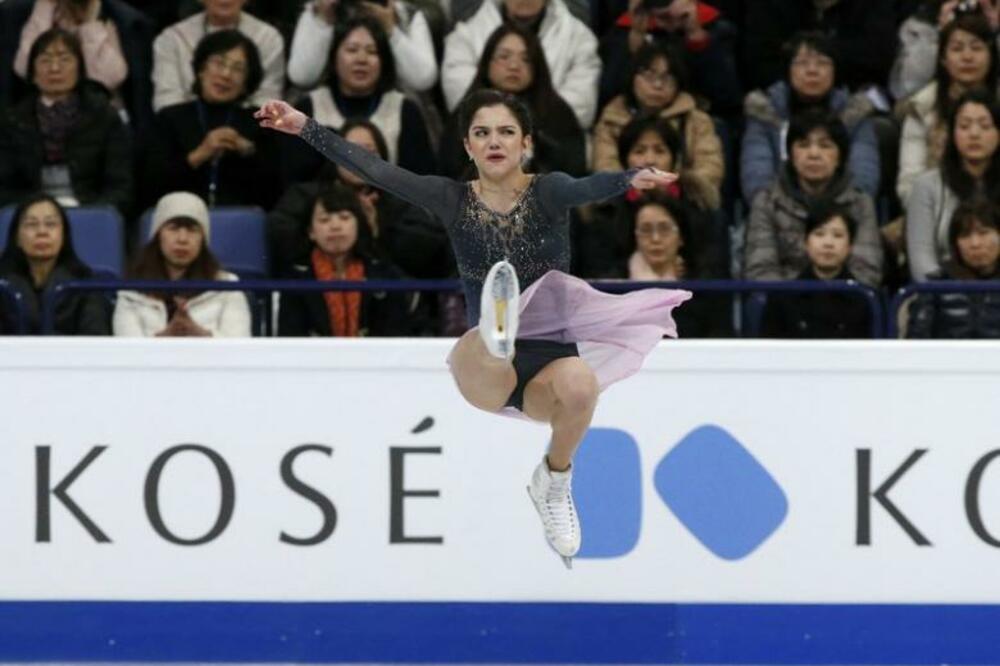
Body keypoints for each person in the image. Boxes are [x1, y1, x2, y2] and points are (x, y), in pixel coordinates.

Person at [256, 88, 690, 566]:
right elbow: (377, 171)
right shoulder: (451, 198)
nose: (494, 141)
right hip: (484, 363)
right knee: (492, 347)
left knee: (582, 385)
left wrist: (631, 177)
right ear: (467, 146)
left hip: (548, 358)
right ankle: (497, 328)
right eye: (482, 133)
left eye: (506, 132)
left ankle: (554, 478)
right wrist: (305, 127)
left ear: (525, 142)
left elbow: (588, 185)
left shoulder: (548, 192)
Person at [270, 118, 451, 279]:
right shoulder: (306, 196)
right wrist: (323, 234)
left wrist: (377, 229)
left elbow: (429, 248)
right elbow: (279, 236)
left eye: (369, 152)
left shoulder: (400, 200)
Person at [143, 30, 280, 210]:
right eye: (218, 63)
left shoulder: (261, 123)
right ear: (201, 69)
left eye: (238, 69)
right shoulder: (169, 118)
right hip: (181, 221)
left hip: (240, 224)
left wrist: (248, 152)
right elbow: (148, 187)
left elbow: (276, 191)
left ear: (246, 82)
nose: (225, 74)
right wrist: (199, 154)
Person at [744, 110, 883, 287]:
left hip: (846, 302)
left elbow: (866, 271)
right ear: (790, 155)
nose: (814, 154)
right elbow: (760, 270)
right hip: (785, 301)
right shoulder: (767, 201)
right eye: (803, 145)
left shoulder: (860, 202)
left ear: (840, 157)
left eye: (825, 146)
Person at [0, 28, 132, 213]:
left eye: (65, 59)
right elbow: (4, 186)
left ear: (80, 69)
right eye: (45, 60)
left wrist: (94, 211)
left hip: (91, 209)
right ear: (33, 73)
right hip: (29, 213)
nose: (55, 68)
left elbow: (120, 185)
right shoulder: (13, 120)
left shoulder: (103, 116)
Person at [741, 31, 881, 205]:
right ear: (788, 70)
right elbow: (756, 174)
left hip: (841, 214)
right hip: (777, 212)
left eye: (822, 63)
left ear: (835, 71)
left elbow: (864, 174)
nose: (812, 71)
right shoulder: (765, 111)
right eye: (802, 64)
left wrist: (835, 215)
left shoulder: (855, 112)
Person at [292, 15, 437, 174]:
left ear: (384, 61)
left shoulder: (405, 111)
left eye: (372, 51)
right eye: (352, 50)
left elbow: (419, 183)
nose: (361, 59)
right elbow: (295, 183)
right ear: (334, 57)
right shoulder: (308, 108)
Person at [439, 23, 586, 179]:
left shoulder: (557, 113)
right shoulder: (467, 112)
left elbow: (572, 175)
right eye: (504, 56)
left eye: (526, 59)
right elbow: (449, 175)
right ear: (487, 63)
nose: (514, 66)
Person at [593, 40, 723, 211]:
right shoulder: (612, 119)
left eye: (667, 77)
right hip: (625, 204)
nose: (658, 85)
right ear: (632, 77)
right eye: (649, 75)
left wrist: (675, 188)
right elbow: (605, 167)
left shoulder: (696, 120)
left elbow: (710, 168)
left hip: (684, 204)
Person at [278, 183, 419, 337]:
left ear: (359, 225)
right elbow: (290, 337)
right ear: (311, 232)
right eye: (324, 220)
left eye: (344, 218)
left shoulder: (383, 274)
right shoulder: (295, 278)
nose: (335, 226)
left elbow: (396, 335)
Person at [442, 0, 601, 129]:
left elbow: (581, 110)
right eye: (504, 56)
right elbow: (461, 100)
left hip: (554, 143)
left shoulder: (579, 37)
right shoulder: (466, 34)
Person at [112, 191, 251, 337]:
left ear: (203, 239)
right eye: (173, 228)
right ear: (158, 235)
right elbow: (126, 352)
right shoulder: (132, 290)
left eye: (192, 230)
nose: (182, 239)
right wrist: (163, 339)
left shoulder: (227, 286)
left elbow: (240, 347)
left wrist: (202, 335)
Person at [0, 0, 155, 130]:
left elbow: (106, 81)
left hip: (104, 135)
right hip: (37, 132)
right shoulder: (15, 15)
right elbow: (26, 69)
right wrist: (44, 8)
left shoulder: (125, 20)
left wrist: (89, 22)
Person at [896, 13, 998, 206]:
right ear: (943, 59)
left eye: (976, 48)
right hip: (937, 210)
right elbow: (909, 185)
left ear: (991, 56)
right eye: (957, 49)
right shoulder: (922, 106)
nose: (967, 57)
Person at [607, 190, 733, 337]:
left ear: (681, 237)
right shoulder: (615, 287)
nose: (655, 238)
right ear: (635, 237)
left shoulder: (703, 287)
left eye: (664, 229)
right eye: (645, 230)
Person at [907, 88, 1000, 281]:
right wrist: (953, 298)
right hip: (945, 296)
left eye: (985, 126)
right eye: (964, 126)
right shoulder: (926, 186)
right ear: (952, 134)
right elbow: (922, 263)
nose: (974, 134)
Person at [598, 0, 742, 119]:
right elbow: (609, 95)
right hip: (637, 122)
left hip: (696, 121)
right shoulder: (624, 31)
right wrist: (634, 44)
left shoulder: (716, 28)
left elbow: (727, 100)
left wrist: (695, 36)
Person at [0, 193, 110, 335]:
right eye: (31, 224)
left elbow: (96, 342)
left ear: (64, 235)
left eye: (51, 224)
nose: (42, 232)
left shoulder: (86, 284)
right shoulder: (3, 283)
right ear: (17, 238)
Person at [760, 202, 873, 339]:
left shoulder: (864, 299)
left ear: (850, 246)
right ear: (806, 243)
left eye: (837, 235)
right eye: (819, 234)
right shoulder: (782, 299)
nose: (828, 243)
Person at [151, 0, 285, 112]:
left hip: (250, 133)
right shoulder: (171, 39)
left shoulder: (268, 38)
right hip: (182, 133)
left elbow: (267, 98)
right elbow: (166, 100)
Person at [286, 0, 438, 95]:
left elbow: (423, 79)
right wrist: (324, 21)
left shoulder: (406, 15)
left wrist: (391, 30)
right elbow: (301, 77)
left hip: (393, 104)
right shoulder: (319, 10)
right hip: (332, 104)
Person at [908, 197, 1000, 338]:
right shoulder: (935, 286)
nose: (975, 243)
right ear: (955, 243)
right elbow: (916, 344)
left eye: (983, 233)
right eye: (965, 235)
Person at [890, 0, 1000, 101]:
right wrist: (940, 37)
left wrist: (994, 34)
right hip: (934, 110)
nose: (967, 57)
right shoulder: (921, 27)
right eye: (957, 49)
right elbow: (906, 88)